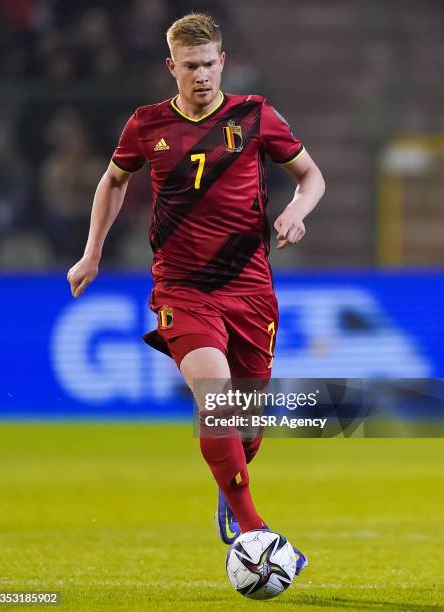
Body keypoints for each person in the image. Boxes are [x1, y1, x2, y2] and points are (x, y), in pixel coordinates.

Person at [67, 13, 325, 576]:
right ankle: (254, 532)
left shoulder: (256, 116)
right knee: (215, 398)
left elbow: (312, 177)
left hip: (252, 288)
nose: (202, 75)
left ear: (223, 62)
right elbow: (113, 181)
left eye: (210, 64)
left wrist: (296, 214)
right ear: (171, 67)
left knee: (245, 428)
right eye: (190, 67)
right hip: (182, 288)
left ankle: (228, 489)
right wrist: (93, 252)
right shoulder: (147, 125)